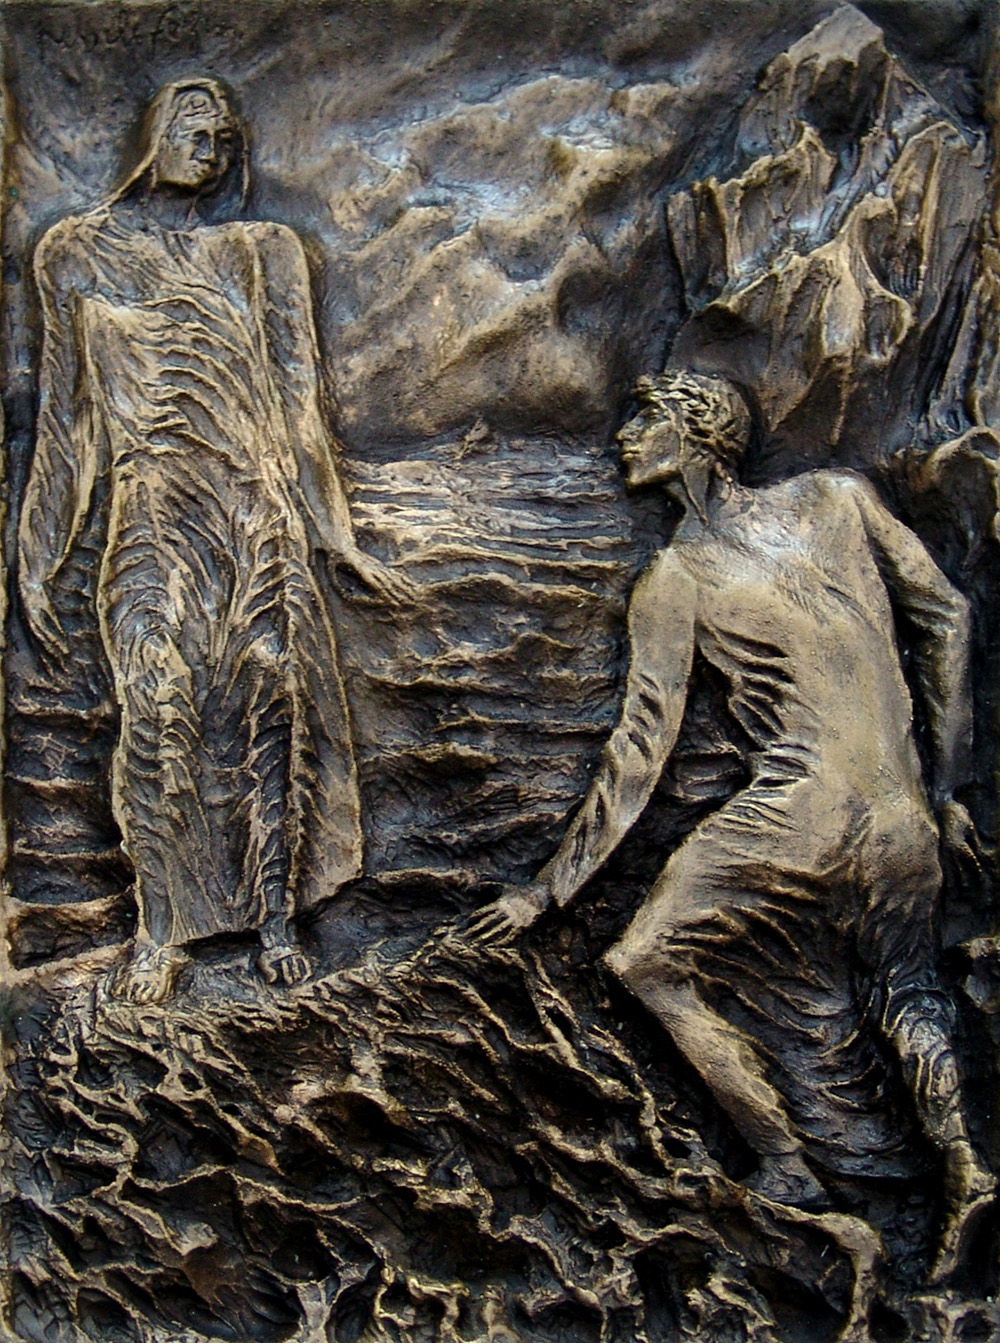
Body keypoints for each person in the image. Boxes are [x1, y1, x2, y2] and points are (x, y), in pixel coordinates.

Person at [467, 369, 994, 1283]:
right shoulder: (838, 498)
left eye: (645, 420)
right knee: (908, 990)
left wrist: (545, 891)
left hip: (801, 808)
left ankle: (786, 1161)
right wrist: (946, 789)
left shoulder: (676, 577)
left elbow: (640, 751)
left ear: (695, 435)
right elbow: (949, 615)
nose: (623, 436)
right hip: (903, 816)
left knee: (644, 962)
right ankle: (967, 1166)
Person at [18, 78, 411, 1004]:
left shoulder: (263, 252)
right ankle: (159, 929)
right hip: (152, 517)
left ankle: (275, 915)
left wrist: (336, 535)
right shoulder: (72, 252)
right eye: (195, 128)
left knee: (270, 706)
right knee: (157, 711)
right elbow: (66, 422)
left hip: (255, 516)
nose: (214, 145)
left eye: (227, 135)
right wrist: (35, 558)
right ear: (152, 135)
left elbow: (301, 408)